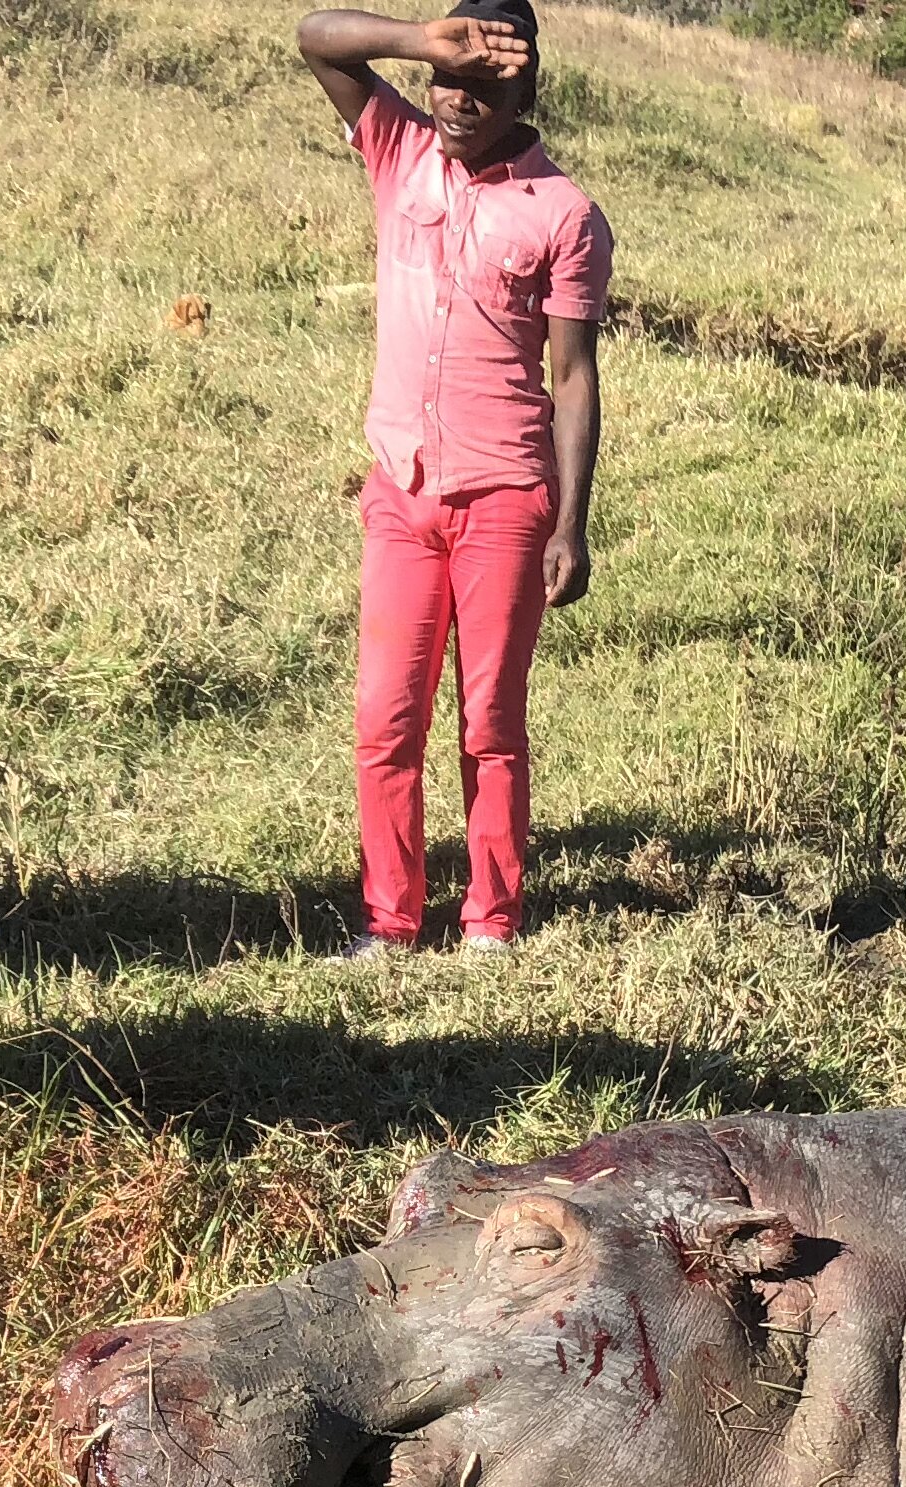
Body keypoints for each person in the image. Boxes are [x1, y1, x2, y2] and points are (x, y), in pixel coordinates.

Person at [296, 1, 605, 960]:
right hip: (400, 492)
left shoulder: (565, 213)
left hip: (506, 498)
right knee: (386, 720)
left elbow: (573, 378)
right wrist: (424, 39)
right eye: (449, 81)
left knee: (489, 723)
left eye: (484, 85)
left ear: (528, 93)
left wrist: (571, 522)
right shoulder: (400, 151)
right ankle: (390, 920)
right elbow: (315, 36)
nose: (459, 102)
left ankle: (491, 919)